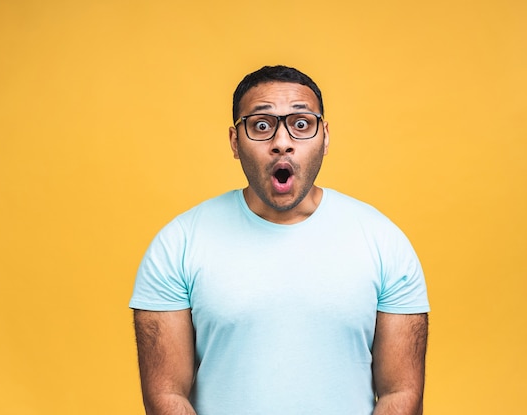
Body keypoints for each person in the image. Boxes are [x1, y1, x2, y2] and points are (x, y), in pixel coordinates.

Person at [129, 65, 430, 415]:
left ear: (326, 137)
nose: (282, 142)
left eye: (301, 124)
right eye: (261, 126)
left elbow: (401, 393)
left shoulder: (385, 243)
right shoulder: (175, 246)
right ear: (234, 142)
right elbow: (166, 397)